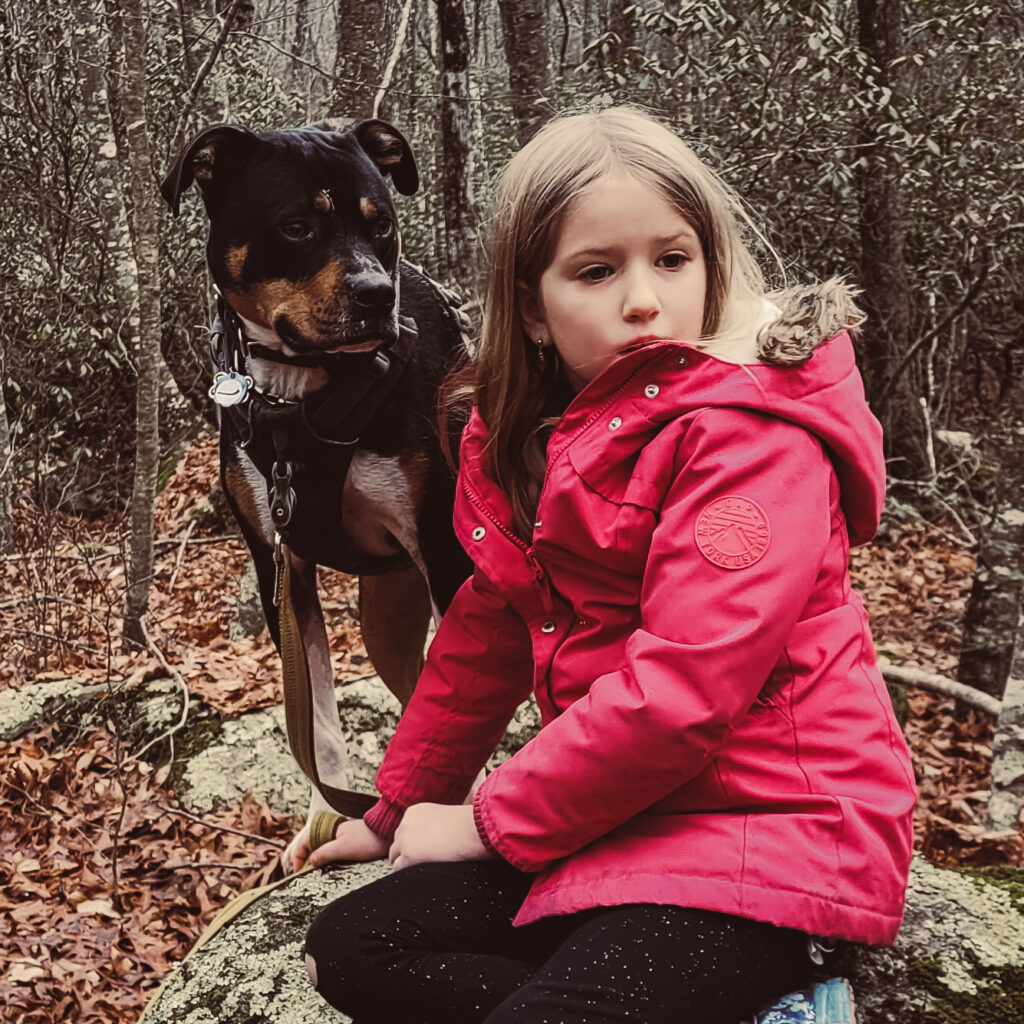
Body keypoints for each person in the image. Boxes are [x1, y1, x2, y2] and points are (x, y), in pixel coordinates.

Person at [298, 106, 917, 1024]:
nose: (643, 298)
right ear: (531, 308)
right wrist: (397, 811)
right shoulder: (524, 439)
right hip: (618, 822)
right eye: (596, 270)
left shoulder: (749, 438)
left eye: (673, 260)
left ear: (711, 264)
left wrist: (482, 823)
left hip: (776, 837)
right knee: (350, 948)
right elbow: (486, 631)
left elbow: (685, 690)